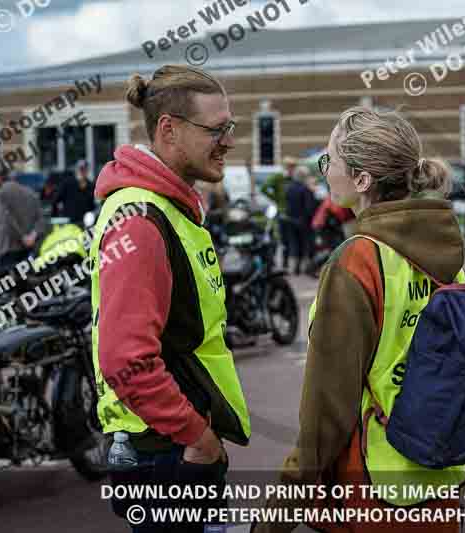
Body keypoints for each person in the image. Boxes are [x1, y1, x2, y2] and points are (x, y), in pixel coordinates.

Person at [253, 106, 465, 533]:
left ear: (362, 179)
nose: (324, 171)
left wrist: (277, 514)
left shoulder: (358, 260)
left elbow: (326, 411)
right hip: (440, 478)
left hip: (372, 487)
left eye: (328, 160)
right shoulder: (448, 259)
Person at [91, 65, 250, 532]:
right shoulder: (142, 219)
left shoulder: (169, 208)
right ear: (169, 130)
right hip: (164, 450)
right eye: (217, 129)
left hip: (169, 444)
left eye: (231, 127)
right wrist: (196, 436)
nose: (229, 140)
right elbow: (125, 357)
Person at [0, 172, 47, 274]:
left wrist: (22, 237)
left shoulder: (1, 192)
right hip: (26, 249)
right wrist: (33, 236)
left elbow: (6, 220)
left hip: (6, 247)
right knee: (24, 281)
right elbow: (42, 219)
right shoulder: (31, 193)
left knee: (5, 284)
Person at [262, 156, 297, 266]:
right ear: (285, 167)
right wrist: (275, 198)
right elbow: (264, 188)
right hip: (282, 212)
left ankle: (286, 263)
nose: (291, 169)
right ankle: (277, 262)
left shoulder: (294, 179)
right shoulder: (278, 177)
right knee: (281, 238)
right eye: (289, 166)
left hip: (293, 213)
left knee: (290, 238)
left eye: (293, 167)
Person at [284, 165, 318, 275]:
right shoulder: (305, 189)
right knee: (305, 244)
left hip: (290, 220)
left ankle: (294, 268)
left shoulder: (289, 188)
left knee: (294, 244)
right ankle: (305, 268)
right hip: (303, 221)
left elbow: (287, 204)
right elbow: (309, 207)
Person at [53, 159, 96, 224]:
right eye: (80, 169)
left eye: (84, 169)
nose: (82, 171)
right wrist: (56, 217)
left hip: (85, 222)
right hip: (69, 221)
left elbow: (92, 205)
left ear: (87, 170)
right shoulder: (67, 183)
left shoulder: (91, 186)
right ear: (76, 170)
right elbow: (56, 200)